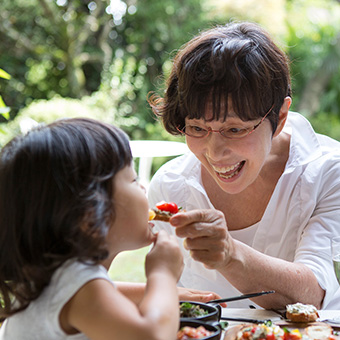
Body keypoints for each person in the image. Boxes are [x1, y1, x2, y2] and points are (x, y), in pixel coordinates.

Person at [147, 21, 340, 310]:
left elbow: (314, 293)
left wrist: (230, 254)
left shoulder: (328, 171)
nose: (214, 153)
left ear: (281, 116)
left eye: (235, 130)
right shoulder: (170, 184)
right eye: (197, 128)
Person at [0, 118, 221, 340]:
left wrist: (155, 293)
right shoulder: (77, 287)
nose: (144, 187)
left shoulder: (55, 278)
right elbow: (152, 336)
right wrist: (163, 274)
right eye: (133, 180)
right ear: (90, 216)